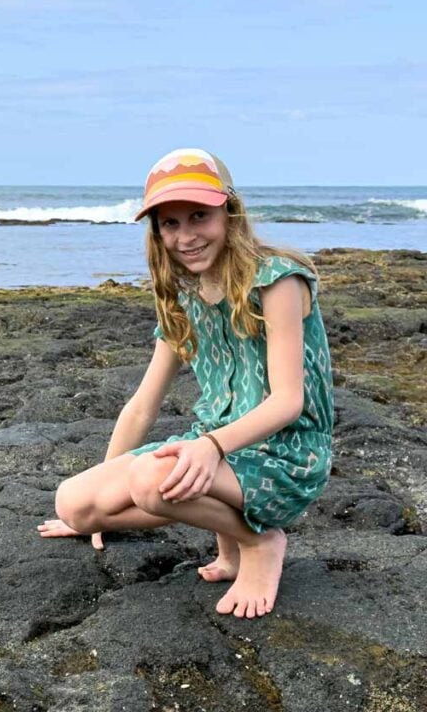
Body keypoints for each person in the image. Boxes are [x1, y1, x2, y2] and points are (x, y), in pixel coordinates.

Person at [38, 148, 333, 619]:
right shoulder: (184, 296)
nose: (186, 236)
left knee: (153, 481)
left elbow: (287, 402)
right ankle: (229, 537)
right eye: (169, 224)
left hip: (286, 455)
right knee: (74, 503)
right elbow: (142, 406)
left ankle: (257, 542)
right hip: (215, 452)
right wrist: (103, 489)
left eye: (199, 216)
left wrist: (211, 446)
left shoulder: (278, 282)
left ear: (229, 212)